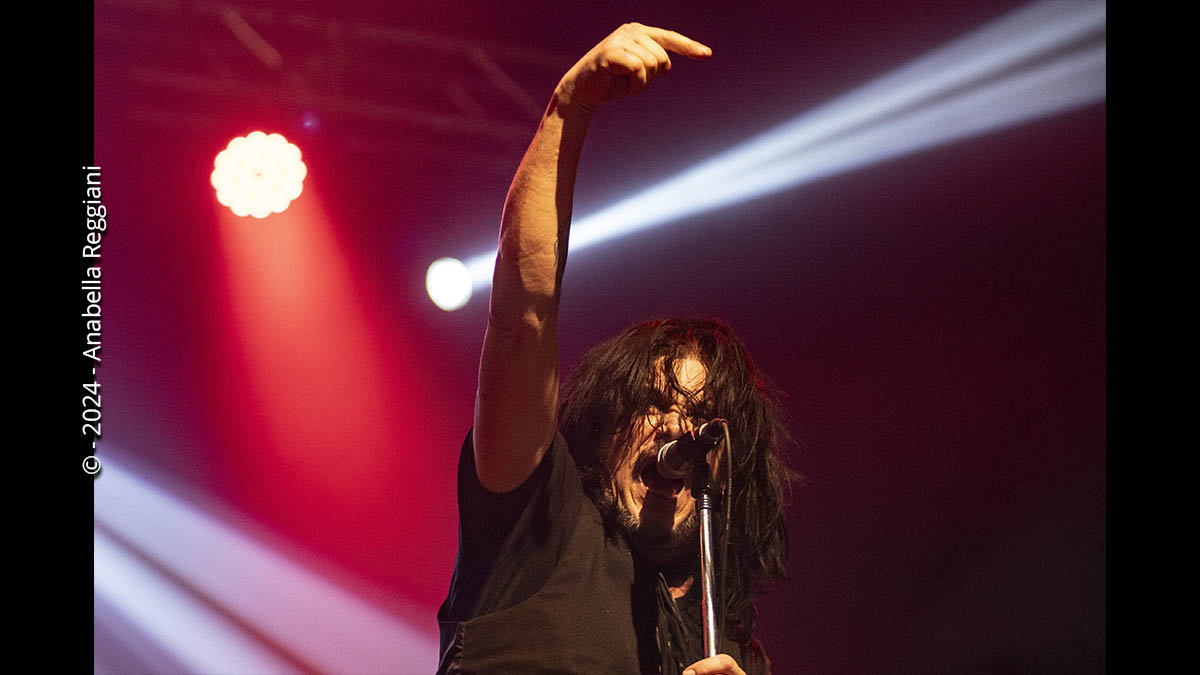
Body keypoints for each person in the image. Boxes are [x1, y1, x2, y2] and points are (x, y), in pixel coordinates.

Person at [437, 23, 795, 675]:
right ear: (608, 428)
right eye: (653, 402)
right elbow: (522, 317)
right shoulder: (540, 522)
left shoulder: (732, 650)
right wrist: (568, 108)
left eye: (701, 416)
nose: (678, 428)